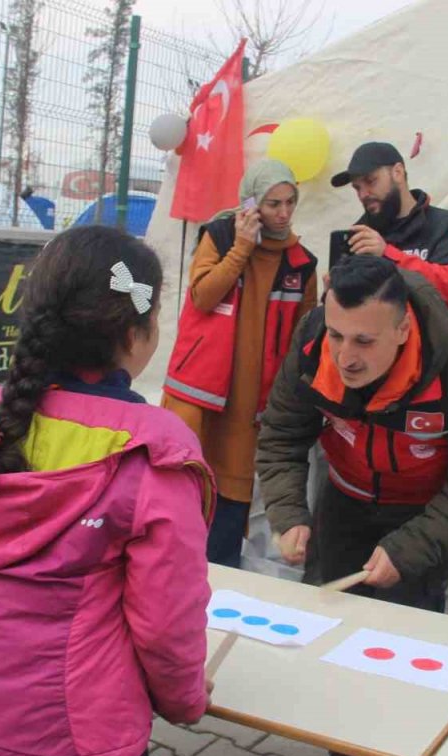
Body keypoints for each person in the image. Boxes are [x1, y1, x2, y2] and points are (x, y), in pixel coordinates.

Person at [0, 226, 213, 756]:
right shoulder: (150, 448)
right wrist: (187, 698)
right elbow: (167, 620)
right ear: (134, 331)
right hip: (78, 741)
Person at [256, 255, 448, 756]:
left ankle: (402, 741)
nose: (346, 357)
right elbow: (280, 435)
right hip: (344, 503)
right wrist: (289, 514)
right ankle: (345, 752)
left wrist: (413, 546)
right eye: (337, 336)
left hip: (427, 513)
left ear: (402, 329)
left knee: (408, 645)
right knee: (329, 631)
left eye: (364, 343)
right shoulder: (310, 346)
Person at [162, 159, 318, 568]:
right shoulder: (220, 234)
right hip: (204, 395)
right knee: (190, 486)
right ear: (251, 203)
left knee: (234, 496)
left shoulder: (302, 263)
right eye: (272, 203)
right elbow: (202, 296)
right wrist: (241, 248)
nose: (283, 213)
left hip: (255, 402)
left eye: (290, 202)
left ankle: (223, 581)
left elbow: (305, 337)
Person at [332, 141, 448, 317]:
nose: (363, 194)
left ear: (398, 172)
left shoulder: (446, 225)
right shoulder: (359, 236)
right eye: (357, 188)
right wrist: (332, 294)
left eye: (370, 181)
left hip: (433, 343)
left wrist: (388, 255)